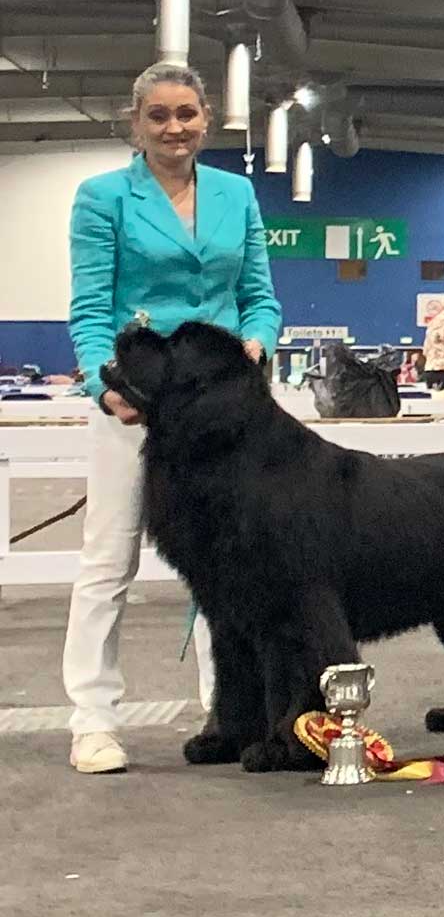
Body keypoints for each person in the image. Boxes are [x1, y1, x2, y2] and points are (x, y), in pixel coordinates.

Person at [63, 62, 282, 774]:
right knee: (109, 558)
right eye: (158, 115)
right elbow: (92, 309)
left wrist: (259, 343)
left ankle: (230, 710)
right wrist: (107, 388)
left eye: (186, 113)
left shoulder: (235, 193)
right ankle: (93, 719)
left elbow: (260, 295)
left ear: (206, 119)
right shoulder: (101, 199)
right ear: (136, 123)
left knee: (238, 558)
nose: (173, 127)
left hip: (225, 408)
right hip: (136, 404)